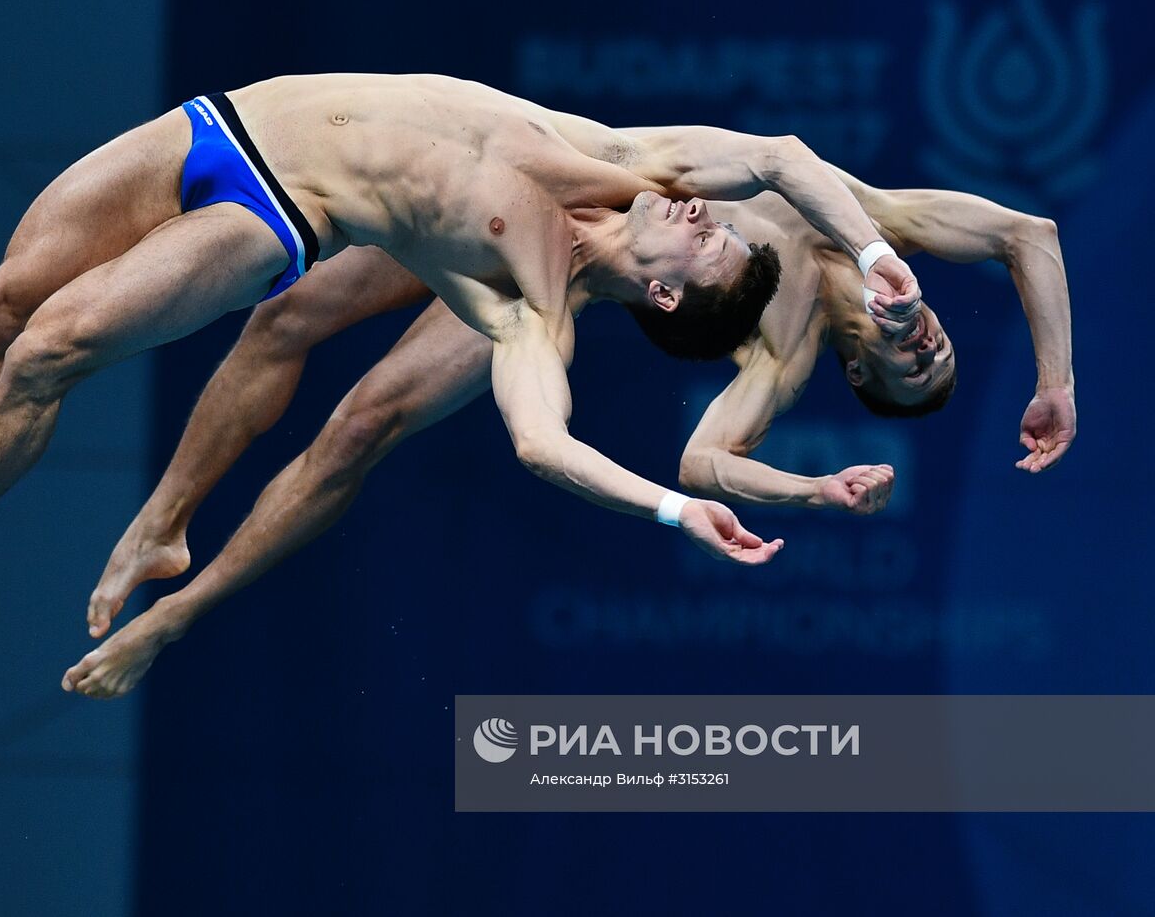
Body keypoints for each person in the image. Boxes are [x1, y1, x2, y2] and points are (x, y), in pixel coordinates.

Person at [0, 73, 921, 666]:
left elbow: (541, 443)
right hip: (224, 119)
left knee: (49, 352)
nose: (700, 210)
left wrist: (679, 512)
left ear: (665, 292)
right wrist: (875, 257)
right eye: (717, 217)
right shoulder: (627, 158)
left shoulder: (525, 310)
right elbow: (777, 156)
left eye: (707, 234)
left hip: (273, 211)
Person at [54, 175, 1069, 699]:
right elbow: (1030, 235)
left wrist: (807, 491)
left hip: (544, 281)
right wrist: (1054, 381)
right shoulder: (868, 221)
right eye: (941, 355)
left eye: (913, 369)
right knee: (282, 314)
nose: (928, 346)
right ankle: (164, 519)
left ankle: (179, 615)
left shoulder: (788, 351)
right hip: (523, 198)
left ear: (862, 375)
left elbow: (702, 461)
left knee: (362, 422)